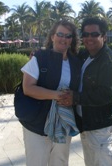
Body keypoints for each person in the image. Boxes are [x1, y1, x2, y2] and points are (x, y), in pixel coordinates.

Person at [61, 17, 112, 166]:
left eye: (94, 34)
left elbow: (107, 94)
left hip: (104, 130)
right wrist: (40, 55)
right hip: (89, 127)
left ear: (104, 36)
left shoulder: (109, 61)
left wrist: (75, 98)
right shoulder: (86, 56)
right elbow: (65, 54)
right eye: (85, 34)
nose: (89, 38)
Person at [20, 20, 81, 166]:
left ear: (72, 40)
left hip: (64, 122)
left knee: (60, 162)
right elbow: (28, 88)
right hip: (37, 123)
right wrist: (57, 95)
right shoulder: (40, 58)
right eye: (60, 34)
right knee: (37, 162)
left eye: (68, 36)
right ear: (52, 36)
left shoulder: (76, 62)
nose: (64, 39)